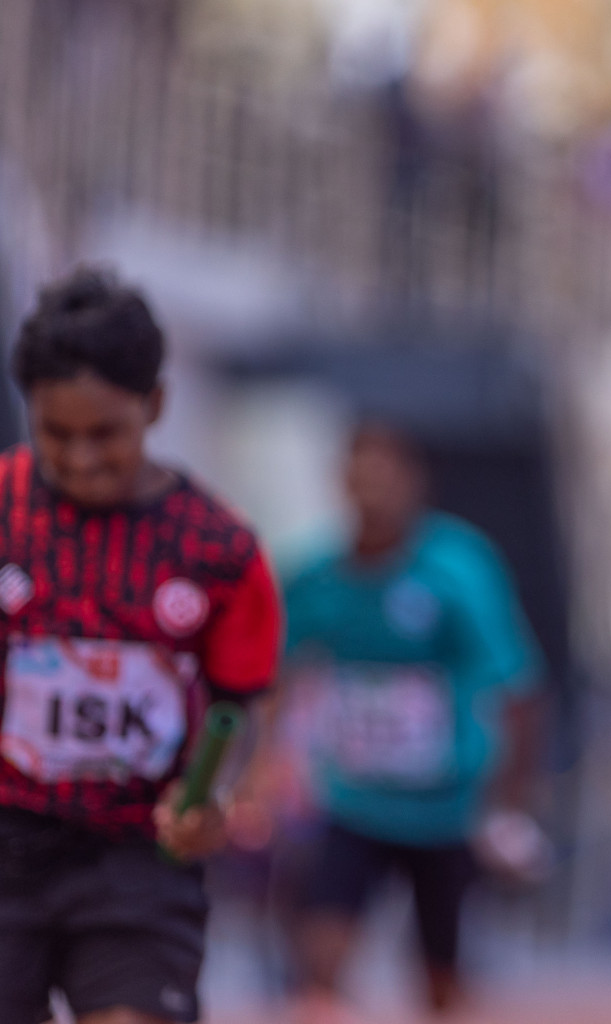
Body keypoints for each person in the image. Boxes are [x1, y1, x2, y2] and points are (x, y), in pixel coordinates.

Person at [0, 266, 283, 1024]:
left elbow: (243, 702)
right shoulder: (2, 511)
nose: (82, 458)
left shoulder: (220, 550)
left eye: (106, 434)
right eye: (57, 433)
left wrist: (213, 794)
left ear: (154, 405)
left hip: (138, 859)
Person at [281, 422, 545, 1016]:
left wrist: (512, 807)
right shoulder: (316, 579)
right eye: (359, 479)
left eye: (386, 478)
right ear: (342, 485)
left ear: (414, 483)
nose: (372, 495)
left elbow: (520, 688)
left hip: (447, 810)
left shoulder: (460, 569)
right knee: (318, 961)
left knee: (440, 983)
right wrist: (264, 772)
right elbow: (273, 678)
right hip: (352, 802)